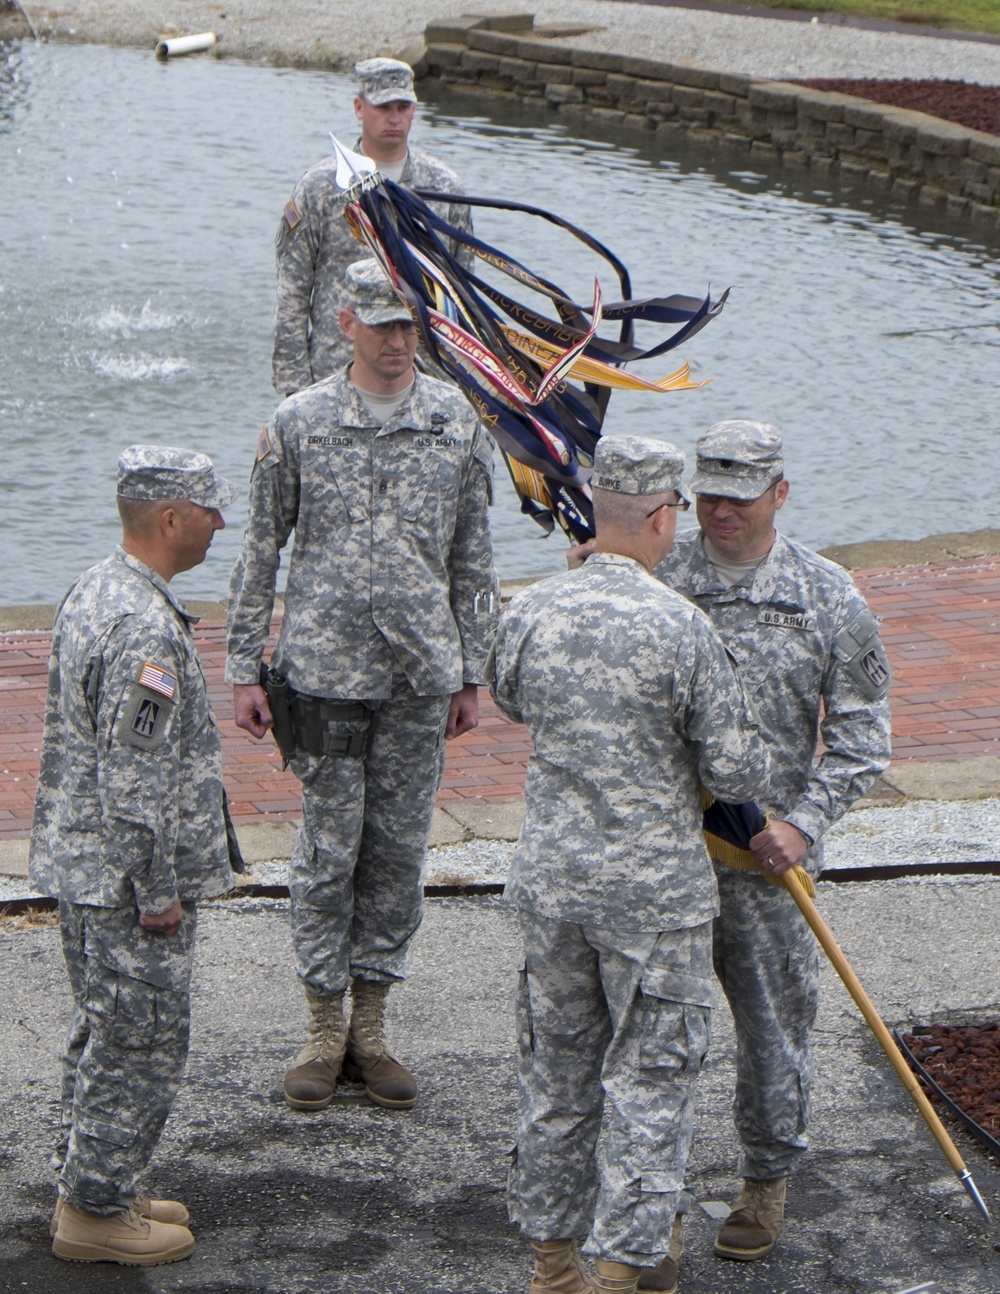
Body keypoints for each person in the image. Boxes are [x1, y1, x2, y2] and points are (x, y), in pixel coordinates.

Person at [572, 420, 892, 1283]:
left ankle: (765, 1180)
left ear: (779, 495)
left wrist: (804, 822)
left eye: (738, 498)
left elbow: (864, 739)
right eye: (707, 493)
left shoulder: (829, 595)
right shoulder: (652, 576)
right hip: (666, 857)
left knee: (773, 1032)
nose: (719, 511)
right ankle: (654, 1202)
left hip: (768, 863)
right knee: (651, 1037)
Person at [490, 435, 770, 1294]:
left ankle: (552, 1266)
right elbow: (736, 770)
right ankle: (623, 1273)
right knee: (650, 1087)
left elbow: (507, 696)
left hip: (555, 885)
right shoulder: (680, 625)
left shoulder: (533, 609)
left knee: (558, 1081)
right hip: (655, 898)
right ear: (660, 516)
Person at [227, 257, 498, 1114]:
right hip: (323, 675)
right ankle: (320, 1024)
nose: (394, 341)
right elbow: (261, 548)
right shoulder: (300, 421)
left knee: (396, 848)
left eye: (407, 326)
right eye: (379, 324)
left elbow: (473, 556)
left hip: (419, 674)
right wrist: (243, 665)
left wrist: (473, 671)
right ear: (345, 323)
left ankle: (372, 1023)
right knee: (327, 848)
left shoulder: (455, 421)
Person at [29, 447, 241, 1266]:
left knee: (105, 1031)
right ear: (170, 519)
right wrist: (157, 889)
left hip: (86, 867)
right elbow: (133, 780)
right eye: (211, 510)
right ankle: (95, 1213)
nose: (221, 523)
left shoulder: (97, 586)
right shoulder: (142, 625)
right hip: (123, 880)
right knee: (141, 1040)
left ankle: (92, 1178)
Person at [272, 57, 473, 397]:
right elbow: (292, 292)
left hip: (423, 381)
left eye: (403, 106)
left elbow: (460, 294)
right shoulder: (320, 187)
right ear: (359, 107)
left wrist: (459, 383)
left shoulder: (444, 189)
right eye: (383, 107)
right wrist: (295, 390)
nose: (394, 118)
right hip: (334, 377)